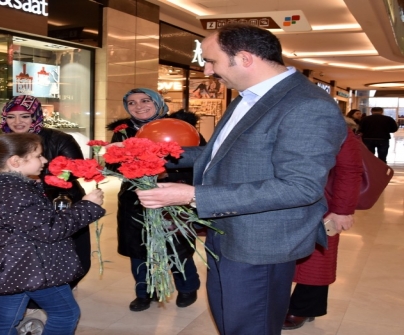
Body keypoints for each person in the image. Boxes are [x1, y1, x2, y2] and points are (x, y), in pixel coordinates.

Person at [135, 24, 347, 335]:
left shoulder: (307, 105)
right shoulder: (249, 97)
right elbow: (220, 155)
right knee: (230, 321)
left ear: (245, 58)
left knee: (250, 326)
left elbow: (300, 187)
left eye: (211, 61)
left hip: (260, 242)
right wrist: (151, 152)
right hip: (227, 230)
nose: (207, 71)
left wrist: (192, 195)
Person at [0, 133, 105, 335]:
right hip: (30, 265)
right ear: (16, 161)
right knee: (65, 313)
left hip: (10, 266)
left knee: (5, 317)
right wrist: (88, 206)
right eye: (38, 155)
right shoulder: (13, 190)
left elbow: (26, 223)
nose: (45, 160)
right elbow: (49, 230)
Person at [106, 89, 201, 312]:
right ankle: (145, 292)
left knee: (177, 246)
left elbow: (201, 159)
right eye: (131, 102)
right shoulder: (123, 132)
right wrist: (137, 168)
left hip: (174, 198)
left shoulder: (181, 126)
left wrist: (165, 171)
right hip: (136, 199)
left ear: (157, 102)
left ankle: (188, 287)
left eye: (145, 101)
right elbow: (112, 164)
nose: (139, 106)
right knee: (138, 248)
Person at [0, 94, 92, 289]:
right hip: (21, 204)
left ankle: (65, 287)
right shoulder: (3, 141)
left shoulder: (58, 138)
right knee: (30, 252)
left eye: (24, 116)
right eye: (11, 116)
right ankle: (36, 290)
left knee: (70, 249)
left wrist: (39, 176)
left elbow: (76, 169)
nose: (17, 122)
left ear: (35, 116)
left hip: (61, 200)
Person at [283, 126, 363, 330]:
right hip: (286, 199)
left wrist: (343, 209)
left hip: (323, 204)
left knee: (317, 259)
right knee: (287, 257)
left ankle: (303, 307)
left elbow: (350, 170)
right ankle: (300, 307)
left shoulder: (339, 129)